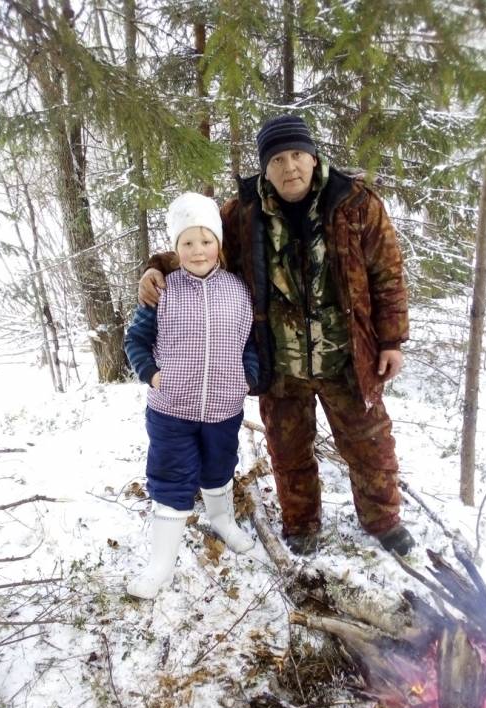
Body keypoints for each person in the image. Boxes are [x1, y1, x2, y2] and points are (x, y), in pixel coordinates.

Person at [139, 116, 414, 557]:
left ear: (313, 156)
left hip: (347, 359)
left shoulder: (356, 203)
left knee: (370, 444)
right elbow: (200, 246)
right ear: (265, 168)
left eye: (298, 155)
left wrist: (392, 340)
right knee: (289, 451)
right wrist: (156, 265)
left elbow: (388, 274)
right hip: (279, 362)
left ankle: (384, 521)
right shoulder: (242, 213)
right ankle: (302, 523)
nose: (290, 168)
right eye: (278, 159)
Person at [124, 192, 259, 599]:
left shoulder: (238, 290)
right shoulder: (162, 292)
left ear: (218, 244)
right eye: (187, 242)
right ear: (175, 247)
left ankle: (223, 520)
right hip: (171, 410)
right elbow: (136, 340)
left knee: (219, 466)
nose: (197, 250)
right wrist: (153, 375)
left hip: (224, 405)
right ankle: (161, 563)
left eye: (205, 241)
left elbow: (250, 341)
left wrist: (247, 376)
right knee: (171, 476)